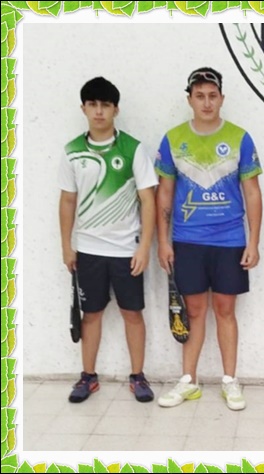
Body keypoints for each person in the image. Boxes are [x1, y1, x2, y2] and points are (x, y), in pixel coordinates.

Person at [155, 67, 263, 411]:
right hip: (187, 240)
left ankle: (230, 380)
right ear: (189, 99)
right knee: (195, 311)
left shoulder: (240, 138)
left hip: (230, 240)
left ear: (222, 98)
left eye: (212, 95)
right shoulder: (173, 139)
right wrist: (163, 241)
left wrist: (253, 241)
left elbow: (252, 192)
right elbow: (164, 193)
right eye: (199, 95)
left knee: (225, 310)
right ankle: (189, 380)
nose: (206, 102)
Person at [59, 77, 157, 403]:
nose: (99, 111)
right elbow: (67, 201)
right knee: (91, 315)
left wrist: (144, 247)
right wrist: (66, 245)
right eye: (93, 105)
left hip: (127, 250)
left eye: (105, 105)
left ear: (116, 109)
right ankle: (88, 377)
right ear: (83, 108)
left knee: (132, 314)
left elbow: (148, 200)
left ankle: (138, 376)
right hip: (88, 250)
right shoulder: (72, 151)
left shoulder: (132, 149)